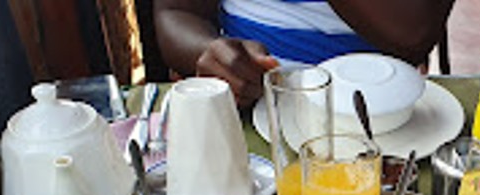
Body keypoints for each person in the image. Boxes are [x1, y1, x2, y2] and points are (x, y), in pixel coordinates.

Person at [154, 0, 455, 108]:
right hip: (253, 107)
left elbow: (414, 32)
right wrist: (212, 54)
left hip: (376, 117)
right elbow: (176, 12)